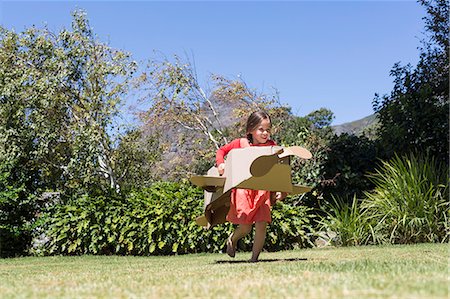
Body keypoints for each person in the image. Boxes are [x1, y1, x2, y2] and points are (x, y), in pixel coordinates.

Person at [215, 110, 286, 262]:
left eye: (268, 129)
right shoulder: (240, 143)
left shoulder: (272, 146)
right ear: (251, 129)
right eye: (261, 129)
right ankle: (232, 240)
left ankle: (254, 259)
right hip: (243, 191)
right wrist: (220, 164)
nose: (265, 133)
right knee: (245, 227)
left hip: (262, 191)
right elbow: (221, 151)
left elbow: (279, 168)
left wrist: (281, 189)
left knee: (261, 225)